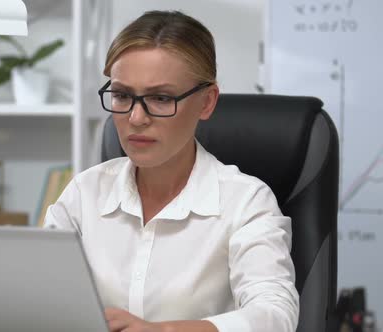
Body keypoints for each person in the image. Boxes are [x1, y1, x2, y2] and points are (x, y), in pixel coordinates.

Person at [44, 10, 299, 332]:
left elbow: (275, 315)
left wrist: (162, 331)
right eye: (122, 95)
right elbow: (42, 296)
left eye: (161, 98)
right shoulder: (84, 192)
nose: (136, 117)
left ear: (207, 102)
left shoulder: (246, 201)